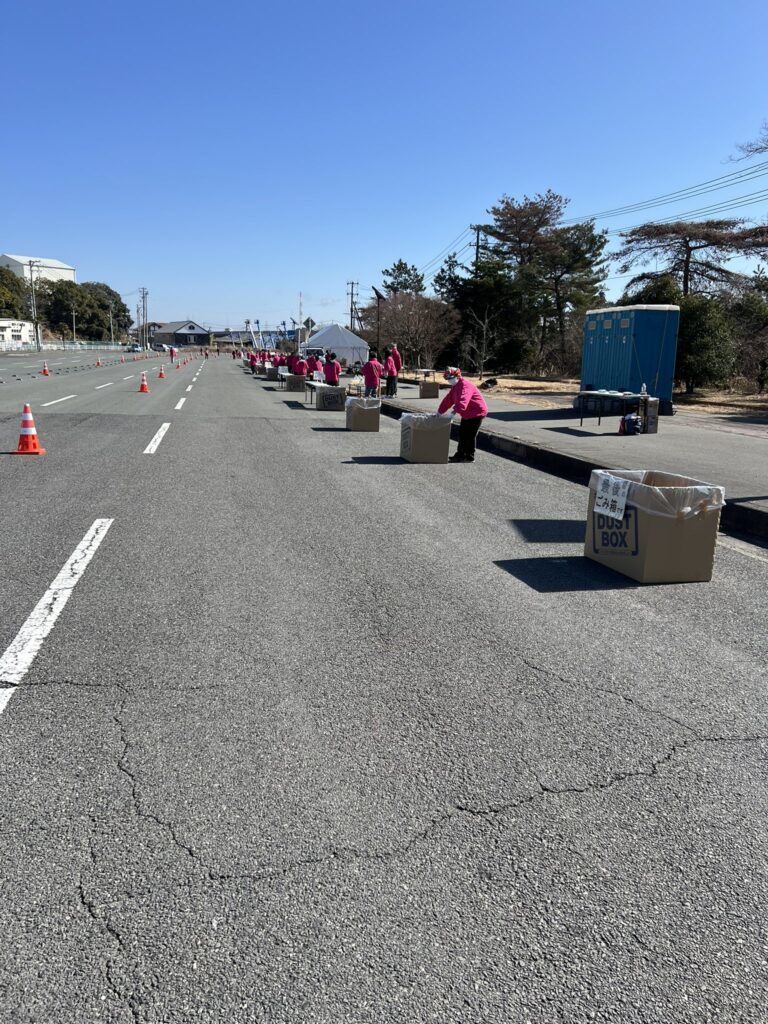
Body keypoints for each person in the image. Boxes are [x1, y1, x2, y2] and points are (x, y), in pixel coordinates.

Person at [437, 367, 488, 463]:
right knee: (462, 433)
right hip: (467, 412)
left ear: (457, 376)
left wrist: (453, 413)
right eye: (447, 379)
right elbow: (448, 400)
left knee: (470, 434)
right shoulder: (455, 386)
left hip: (477, 412)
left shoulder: (465, 385)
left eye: (450, 378)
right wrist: (439, 412)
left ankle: (469, 457)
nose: (449, 381)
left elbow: (463, 401)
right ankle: (460, 455)